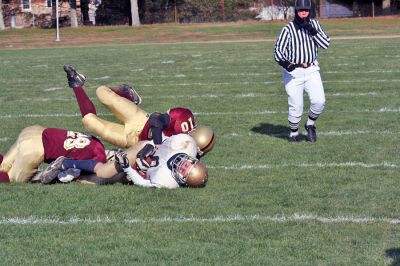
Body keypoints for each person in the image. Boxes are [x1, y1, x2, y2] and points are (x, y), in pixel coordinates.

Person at [63, 64, 202, 149]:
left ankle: (76, 83)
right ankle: (129, 94)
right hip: (140, 120)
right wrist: (158, 144)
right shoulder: (182, 119)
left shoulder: (185, 151)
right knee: (102, 92)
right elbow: (155, 120)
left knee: (89, 121)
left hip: (132, 141)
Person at [41, 134, 209, 189]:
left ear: (181, 179)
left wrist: (128, 169)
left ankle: (70, 174)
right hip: (142, 151)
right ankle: (65, 163)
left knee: (96, 181)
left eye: (185, 169)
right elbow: (159, 123)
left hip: (139, 171)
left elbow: (143, 183)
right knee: (104, 172)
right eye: (189, 162)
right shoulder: (186, 144)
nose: (183, 163)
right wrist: (155, 146)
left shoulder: (166, 182)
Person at [274, 0, 330, 143]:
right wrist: (287, 64)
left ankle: (310, 124)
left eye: (306, 9)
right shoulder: (288, 29)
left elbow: (325, 44)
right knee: (296, 106)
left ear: (310, 10)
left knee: (319, 101)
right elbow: (278, 51)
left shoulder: (315, 25)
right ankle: (294, 133)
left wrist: (312, 31)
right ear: (296, 11)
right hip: (293, 72)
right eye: (300, 10)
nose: (303, 12)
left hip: (311, 69)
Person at [0, 125, 108, 183]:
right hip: (34, 150)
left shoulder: (97, 143)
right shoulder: (100, 159)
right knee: (13, 178)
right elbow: (92, 173)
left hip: (33, 131)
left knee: (4, 164)